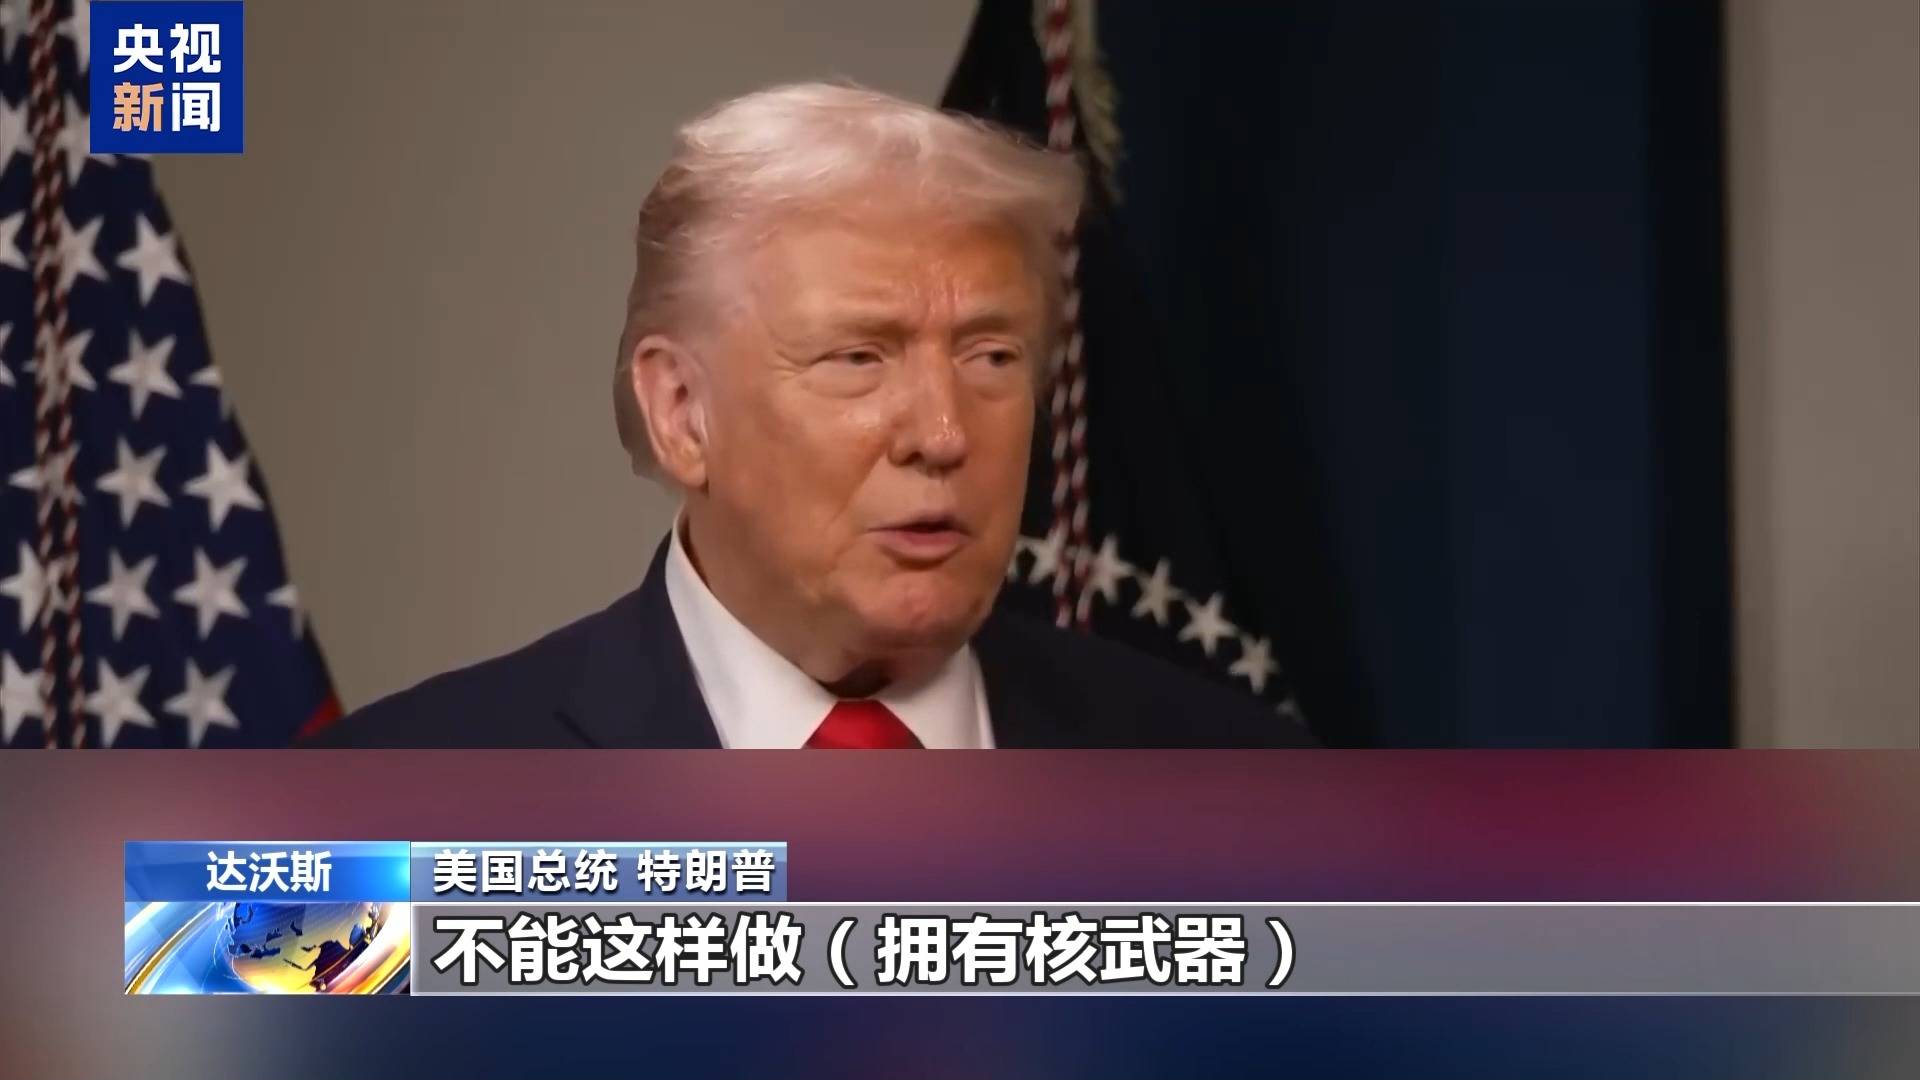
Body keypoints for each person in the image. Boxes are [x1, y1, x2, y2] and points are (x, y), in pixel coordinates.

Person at [306, 83, 1314, 749]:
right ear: (681, 412)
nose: (943, 433)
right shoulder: (367, 815)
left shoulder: (1243, 787)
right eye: (858, 358)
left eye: (991, 357)